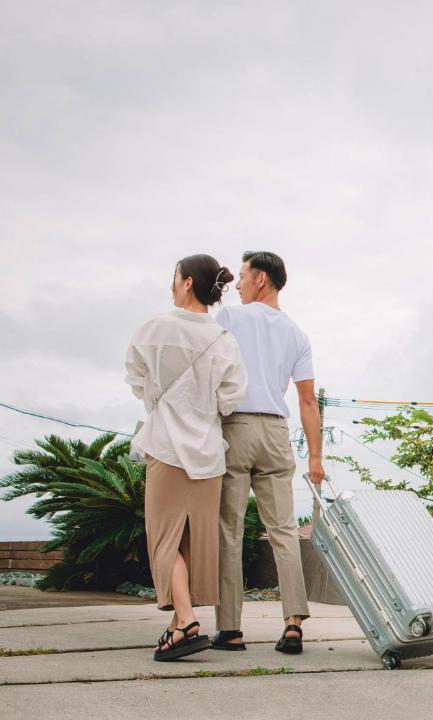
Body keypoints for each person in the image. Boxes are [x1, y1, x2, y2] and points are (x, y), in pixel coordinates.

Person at [125, 254, 247, 662]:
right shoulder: (224, 340)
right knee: (194, 542)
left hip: (166, 447)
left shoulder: (155, 328)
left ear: (188, 282)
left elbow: (136, 376)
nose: (171, 285)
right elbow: (231, 400)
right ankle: (179, 624)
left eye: (174, 278)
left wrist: (158, 399)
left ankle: (187, 621)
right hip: (209, 453)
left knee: (164, 540)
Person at [212, 251, 324, 655]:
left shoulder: (228, 318)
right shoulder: (297, 333)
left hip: (236, 427)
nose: (238, 284)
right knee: (283, 533)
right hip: (277, 432)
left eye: (242, 276)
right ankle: (293, 623)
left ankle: (230, 630)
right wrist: (315, 458)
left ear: (260, 278)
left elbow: (208, 370)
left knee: (230, 530)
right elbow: (307, 400)